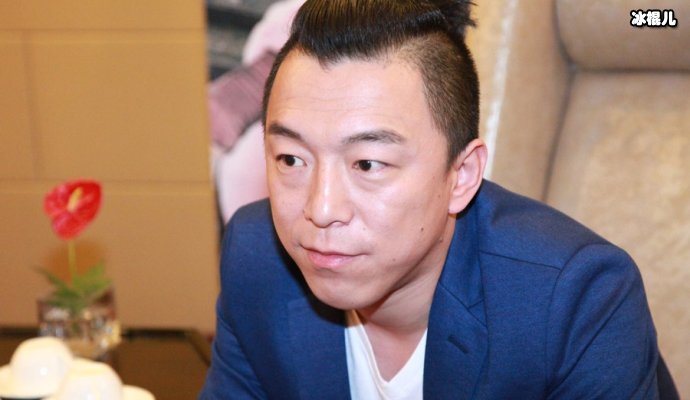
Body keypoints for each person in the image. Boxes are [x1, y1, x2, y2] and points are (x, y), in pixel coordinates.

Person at [199, 0, 659, 398]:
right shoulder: (256, 258)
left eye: (367, 164)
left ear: (462, 176)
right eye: (291, 159)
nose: (320, 210)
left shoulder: (576, 298)